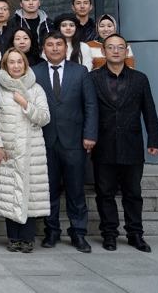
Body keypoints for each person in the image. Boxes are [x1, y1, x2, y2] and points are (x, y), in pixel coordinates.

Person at [91, 34, 158, 253]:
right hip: (103, 142)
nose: (116, 51)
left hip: (132, 142)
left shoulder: (140, 78)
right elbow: (87, 111)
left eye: (120, 47)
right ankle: (109, 234)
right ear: (103, 51)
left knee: (132, 192)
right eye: (111, 47)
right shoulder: (92, 78)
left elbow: (149, 110)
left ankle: (135, 234)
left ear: (126, 50)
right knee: (105, 192)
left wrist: (154, 139)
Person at [33, 32, 98, 253]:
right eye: (50, 45)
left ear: (66, 47)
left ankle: (78, 233)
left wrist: (90, 135)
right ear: (43, 49)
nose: (54, 48)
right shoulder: (34, 72)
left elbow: (90, 105)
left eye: (59, 44)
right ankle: (51, 232)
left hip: (74, 140)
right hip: (44, 140)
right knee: (49, 189)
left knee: (75, 190)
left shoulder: (80, 71)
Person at [0, 48, 51, 254]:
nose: (16, 66)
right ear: (5, 66)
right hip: (7, 150)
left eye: (19, 62)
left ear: (25, 65)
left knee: (30, 194)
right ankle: (13, 238)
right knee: (9, 194)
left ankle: (27, 239)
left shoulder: (36, 89)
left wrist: (26, 104)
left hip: (31, 150)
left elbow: (44, 118)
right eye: (11, 62)